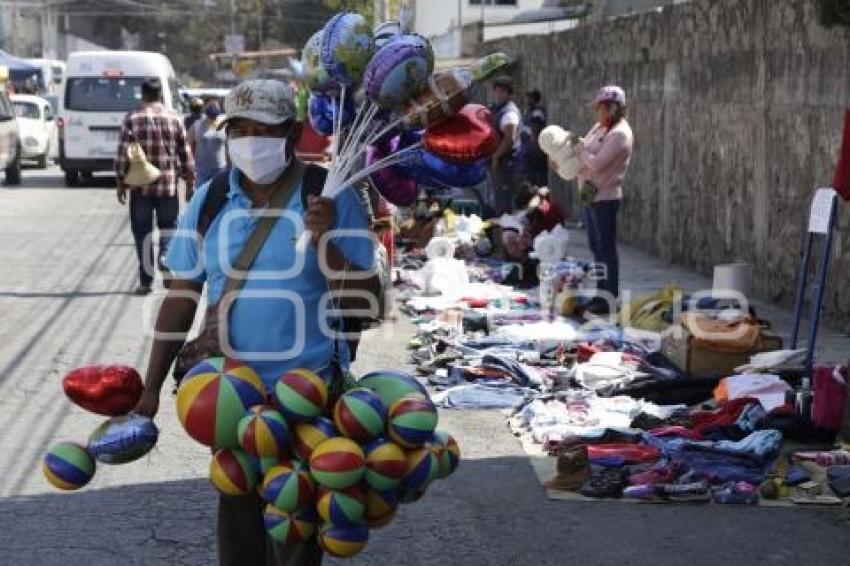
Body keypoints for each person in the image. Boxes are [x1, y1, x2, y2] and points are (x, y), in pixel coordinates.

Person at [132, 79, 378, 566]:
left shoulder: (329, 196)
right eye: (237, 129)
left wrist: (325, 238)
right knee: (240, 531)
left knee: (295, 533)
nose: (248, 140)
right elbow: (181, 297)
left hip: (307, 397)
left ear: (293, 132)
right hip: (228, 398)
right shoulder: (209, 198)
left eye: (262, 129)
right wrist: (150, 387)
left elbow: (366, 305)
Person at [115, 78, 195, 296]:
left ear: (143, 95)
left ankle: (146, 282)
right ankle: (166, 258)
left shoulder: (132, 118)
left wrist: (120, 182)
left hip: (140, 187)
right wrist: (190, 181)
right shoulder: (175, 118)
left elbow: (123, 154)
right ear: (160, 95)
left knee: (142, 233)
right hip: (168, 186)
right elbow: (185, 153)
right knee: (169, 227)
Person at [574, 85, 634, 309]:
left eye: (601, 108)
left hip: (605, 198)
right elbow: (586, 150)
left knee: (606, 248)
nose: (597, 112)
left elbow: (597, 164)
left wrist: (579, 150)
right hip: (590, 195)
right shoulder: (600, 127)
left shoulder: (620, 134)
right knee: (596, 247)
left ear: (613, 108)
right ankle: (601, 293)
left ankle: (609, 295)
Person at [487, 76, 523, 217]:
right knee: (497, 201)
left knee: (504, 204)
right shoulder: (497, 109)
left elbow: (509, 139)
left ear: (509, 93)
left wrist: (496, 157)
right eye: (496, 90)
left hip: (505, 163)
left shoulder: (509, 113)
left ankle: (507, 235)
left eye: (502, 91)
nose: (498, 94)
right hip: (498, 163)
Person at [188, 98, 227, 187]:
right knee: (201, 197)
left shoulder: (224, 126)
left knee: (218, 197)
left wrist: (230, 168)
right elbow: (189, 148)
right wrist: (190, 169)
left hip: (220, 169)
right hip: (201, 171)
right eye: (210, 105)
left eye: (215, 105)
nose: (213, 108)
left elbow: (228, 149)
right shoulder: (196, 126)